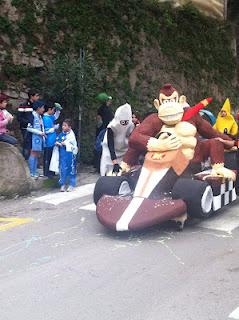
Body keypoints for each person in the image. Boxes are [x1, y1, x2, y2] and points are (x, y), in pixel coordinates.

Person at [121, 84, 235, 181]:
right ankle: (124, 167)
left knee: (215, 142)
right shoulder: (154, 119)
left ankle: (218, 169)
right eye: (165, 102)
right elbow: (135, 138)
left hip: (191, 160)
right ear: (158, 104)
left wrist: (232, 142)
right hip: (160, 161)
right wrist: (159, 145)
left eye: (172, 101)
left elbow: (212, 133)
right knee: (137, 144)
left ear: (181, 101)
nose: (169, 106)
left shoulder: (192, 117)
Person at [100, 103, 134, 176]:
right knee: (108, 173)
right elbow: (110, 145)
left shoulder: (131, 125)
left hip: (124, 150)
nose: (124, 124)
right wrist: (114, 162)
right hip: (110, 152)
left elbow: (132, 141)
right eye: (122, 122)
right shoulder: (112, 127)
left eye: (126, 122)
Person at [56, 119, 78, 192]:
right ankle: (62, 184)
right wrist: (58, 143)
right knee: (63, 169)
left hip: (70, 155)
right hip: (63, 155)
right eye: (63, 125)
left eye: (65, 125)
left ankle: (72, 184)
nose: (63, 127)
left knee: (71, 169)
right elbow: (57, 141)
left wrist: (65, 144)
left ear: (69, 127)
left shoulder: (72, 135)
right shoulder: (61, 134)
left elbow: (73, 145)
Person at [17, 89, 40, 159]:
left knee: (34, 145)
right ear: (31, 96)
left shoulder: (37, 106)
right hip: (26, 129)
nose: (38, 97)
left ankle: (32, 162)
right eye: (36, 96)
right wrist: (27, 123)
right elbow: (19, 117)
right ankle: (25, 160)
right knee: (27, 144)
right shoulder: (23, 105)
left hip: (35, 129)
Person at [94, 92, 114, 172]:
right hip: (105, 130)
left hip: (100, 129)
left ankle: (97, 165)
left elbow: (98, 121)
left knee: (98, 147)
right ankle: (101, 166)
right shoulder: (107, 110)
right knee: (103, 147)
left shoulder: (100, 109)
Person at [26, 100, 46, 178]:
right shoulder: (32, 115)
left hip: (39, 138)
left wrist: (43, 134)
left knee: (36, 154)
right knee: (33, 153)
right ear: (38, 108)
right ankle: (31, 172)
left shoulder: (40, 116)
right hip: (33, 138)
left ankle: (35, 171)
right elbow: (29, 128)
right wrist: (40, 133)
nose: (43, 109)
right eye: (42, 108)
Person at [42, 102, 62, 177]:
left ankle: (51, 172)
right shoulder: (45, 118)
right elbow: (46, 130)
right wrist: (54, 128)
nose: (53, 112)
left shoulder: (49, 116)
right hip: (48, 141)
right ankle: (47, 172)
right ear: (49, 109)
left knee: (51, 157)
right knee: (48, 157)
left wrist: (58, 110)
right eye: (53, 110)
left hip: (52, 140)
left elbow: (55, 116)